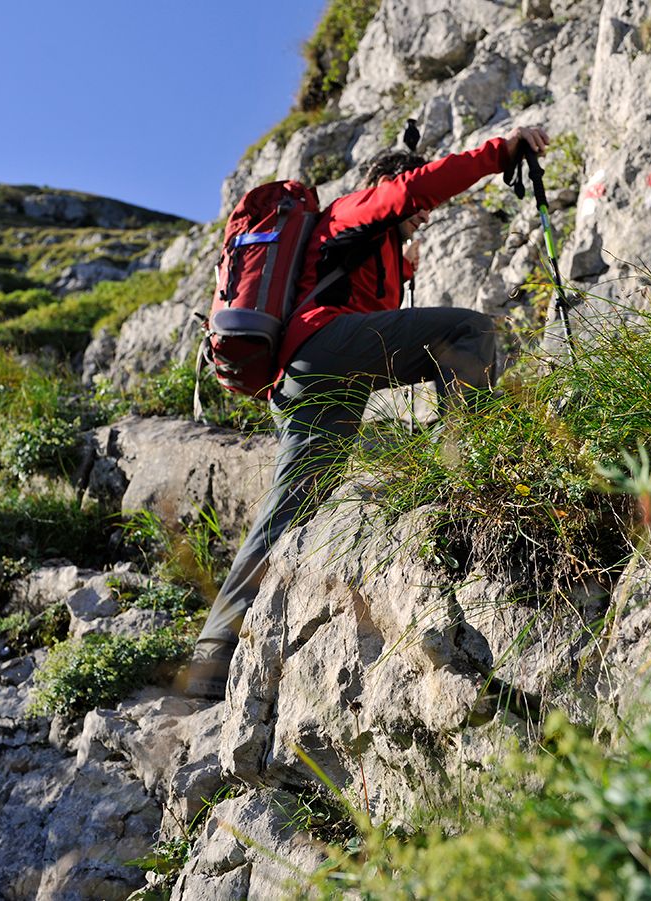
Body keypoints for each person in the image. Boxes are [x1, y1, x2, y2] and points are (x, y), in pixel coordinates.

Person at [182, 125, 552, 699]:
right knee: (470, 328)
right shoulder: (355, 208)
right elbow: (413, 193)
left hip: (308, 376)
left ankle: (211, 656)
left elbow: (358, 298)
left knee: (291, 508)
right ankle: (469, 474)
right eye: (411, 204)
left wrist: (404, 269)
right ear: (383, 181)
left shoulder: (366, 248)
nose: (422, 217)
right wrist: (499, 152)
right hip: (327, 351)